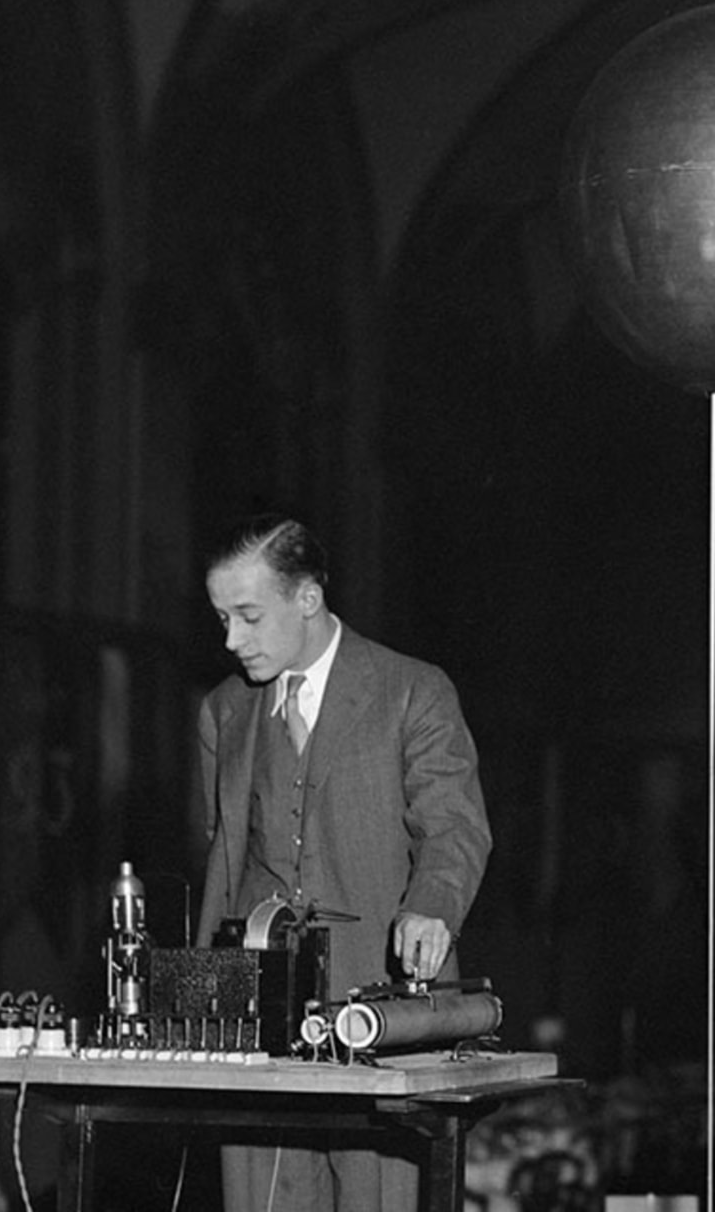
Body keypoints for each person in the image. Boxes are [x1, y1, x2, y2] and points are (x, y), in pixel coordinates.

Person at [194, 516, 493, 1212]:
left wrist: (434, 906)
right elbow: (225, 866)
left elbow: (455, 827)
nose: (232, 640)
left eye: (247, 616)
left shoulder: (412, 690)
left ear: (307, 598)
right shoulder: (223, 713)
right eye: (221, 618)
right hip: (258, 1036)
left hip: (385, 1028)